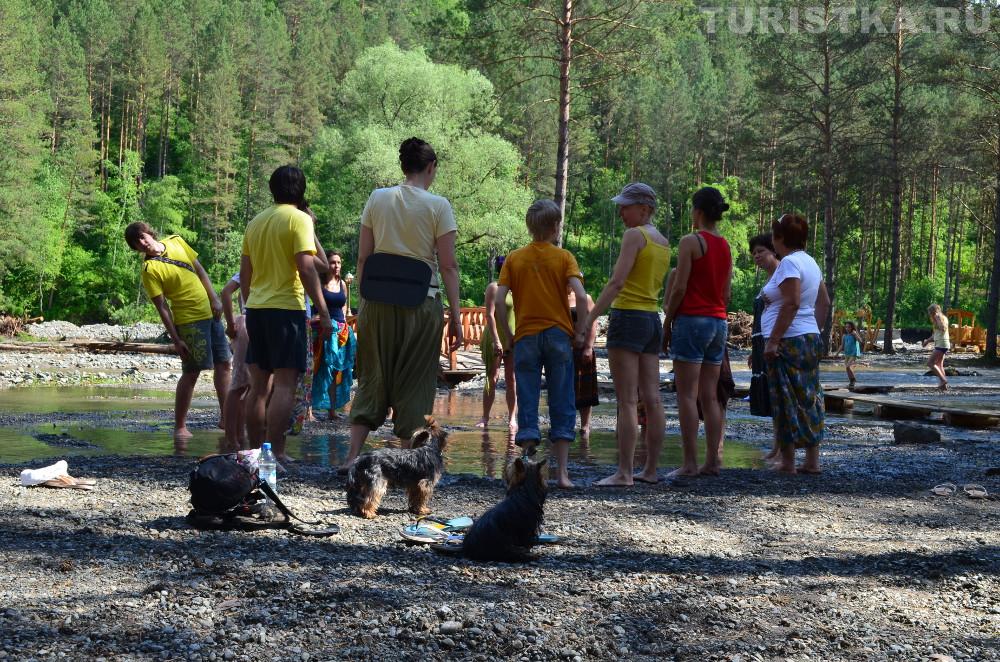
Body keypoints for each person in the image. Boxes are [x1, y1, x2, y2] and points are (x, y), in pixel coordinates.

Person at [343, 137, 463, 471]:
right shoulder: (439, 205)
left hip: (377, 300)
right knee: (416, 379)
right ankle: (408, 462)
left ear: (402, 166)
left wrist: (362, 305)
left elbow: (364, 257)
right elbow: (449, 265)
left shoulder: (377, 197)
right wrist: (455, 314)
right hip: (420, 301)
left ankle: (353, 457)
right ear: (431, 167)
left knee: (373, 374)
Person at [578, 183, 668, 487]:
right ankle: (651, 470)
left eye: (625, 206)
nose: (620, 212)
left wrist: (590, 318)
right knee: (653, 398)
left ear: (644, 208)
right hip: (651, 320)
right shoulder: (664, 242)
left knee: (628, 401)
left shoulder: (635, 235)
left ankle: (625, 473)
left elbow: (617, 283)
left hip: (628, 317)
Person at [241, 166, 332, 463]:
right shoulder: (299, 219)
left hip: (256, 309)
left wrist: (248, 306)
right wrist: (324, 311)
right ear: (302, 190)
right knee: (283, 384)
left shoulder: (255, 222)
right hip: (285, 309)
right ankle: (275, 452)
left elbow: (245, 273)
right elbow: (308, 268)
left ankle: (255, 452)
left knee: (257, 387)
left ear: (272, 189)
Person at [497, 199, 589, 489]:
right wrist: (581, 331)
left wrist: (506, 335)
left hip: (525, 336)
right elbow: (581, 296)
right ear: (554, 227)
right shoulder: (563, 257)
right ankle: (561, 474)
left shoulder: (514, 258)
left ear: (529, 227)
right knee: (562, 398)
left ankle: (527, 466)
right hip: (559, 335)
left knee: (527, 396)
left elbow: (500, 300)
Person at [125, 222, 231, 440]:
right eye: (137, 243)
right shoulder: (149, 270)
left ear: (149, 233)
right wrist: (175, 339)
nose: (143, 243)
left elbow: (200, 270)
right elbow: (162, 307)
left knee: (225, 364)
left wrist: (215, 299)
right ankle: (180, 426)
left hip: (211, 314)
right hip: (189, 321)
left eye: (143, 237)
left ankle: (226, 417)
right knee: (192, 372)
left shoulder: (176, 241)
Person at [662, 187, 732, 478]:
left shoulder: (691, 242)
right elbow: (726, 292)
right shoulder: (725, 245)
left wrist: (668, 320)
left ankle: (689, 463)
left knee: (687, 396)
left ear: (698, 212)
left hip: (693, 320)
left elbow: (679, 286)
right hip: (718, 322)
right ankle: (712, 462)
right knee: (709, 396)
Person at [761, 213, 831, 475]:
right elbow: (824, 302)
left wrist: (773, 340)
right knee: (810, 396)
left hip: (789, 341)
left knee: (785, 397)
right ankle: (812, 461)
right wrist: (816, 329)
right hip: (809, 336)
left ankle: (788, 462)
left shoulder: (789, 263)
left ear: (780, 238)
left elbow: (792, 302)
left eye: (774, 236)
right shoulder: (811, 262)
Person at [748, 233, 780, 460]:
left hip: (774, 342)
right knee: (770, 394)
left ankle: (781, 447)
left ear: (774, 251)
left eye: (761, 251)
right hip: (761, 342)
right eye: (754, 253)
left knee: (778, 394)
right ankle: (777, 444)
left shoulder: (782, 276)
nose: (756, 256)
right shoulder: (768, 280)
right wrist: (754, 349)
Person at [477, 256, 517, 435]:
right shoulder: (494, 287)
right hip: (496, 336)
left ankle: (512, 418)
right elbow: (489, 315)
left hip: (513, 337)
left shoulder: (517, 289)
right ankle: (485, 417)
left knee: (512, 379)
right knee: (492, 377)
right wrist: (496, 340)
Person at [312, 263, 357, 420]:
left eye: (339, 262)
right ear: (325, 264)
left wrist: (344, 323)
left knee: (336, 370)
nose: (336, 265)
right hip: (322, 329)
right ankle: (309, 410)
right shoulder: (318, 283)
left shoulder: (342, 283)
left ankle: (332, 410)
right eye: (332, 262)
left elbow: (343, 307)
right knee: (317, 367)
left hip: (340, 330)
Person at [221, 272, 252, 450]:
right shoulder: (251, 264)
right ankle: (231, 437)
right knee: (240, 384)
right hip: (248, 323)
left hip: (259, 322)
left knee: (251, 387)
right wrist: (231, 324)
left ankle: (240, 435)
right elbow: (226, 292)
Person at [568, 287, 598, 439]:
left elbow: (593, 322)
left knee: (584, 388)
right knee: (562, 388)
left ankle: (585, 426)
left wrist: (589, 346)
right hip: (562, 350)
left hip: (582, 349)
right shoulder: (557, 297)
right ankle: (565, 424)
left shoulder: (585, 298)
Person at [923, 304, 950, 391]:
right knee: (939, 365)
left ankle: (943, 380)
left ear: (934, 311)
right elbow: (935, 334)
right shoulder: (940, 318)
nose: (930, 315)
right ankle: (943, 387)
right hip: (942, 344)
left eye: (930, 313)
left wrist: (937, 318)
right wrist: (927, 341)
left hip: (942, 344)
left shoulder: (939, 317)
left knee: (930, 363)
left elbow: (943, 328)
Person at [839, 321, 864, 390]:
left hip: (853, 353)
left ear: (852, 327)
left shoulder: (854, 334)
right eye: (846, 327)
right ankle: (851, 381)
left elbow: (860, 341)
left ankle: (853, 380)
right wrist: (836, 353)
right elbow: (842, 345)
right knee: (847, 369)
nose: (847, 328)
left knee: (847, 367)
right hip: (847, 354)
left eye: (849, 327)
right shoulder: (844, 335)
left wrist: (856, 335)